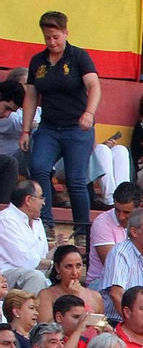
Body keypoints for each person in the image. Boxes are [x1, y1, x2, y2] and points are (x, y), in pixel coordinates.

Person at [22, 12, 100, 237]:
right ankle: (45, 224)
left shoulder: (79, 57)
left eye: (56, 37)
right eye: (47, 37)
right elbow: (31, 96)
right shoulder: (38, 61)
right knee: (39, 167)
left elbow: (94, 87)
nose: (52, 42)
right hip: (49, 127)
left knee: (76, 180)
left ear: (66, 33)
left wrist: (89, 113)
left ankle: (82, 231)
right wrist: (26, 130)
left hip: (76, 127)